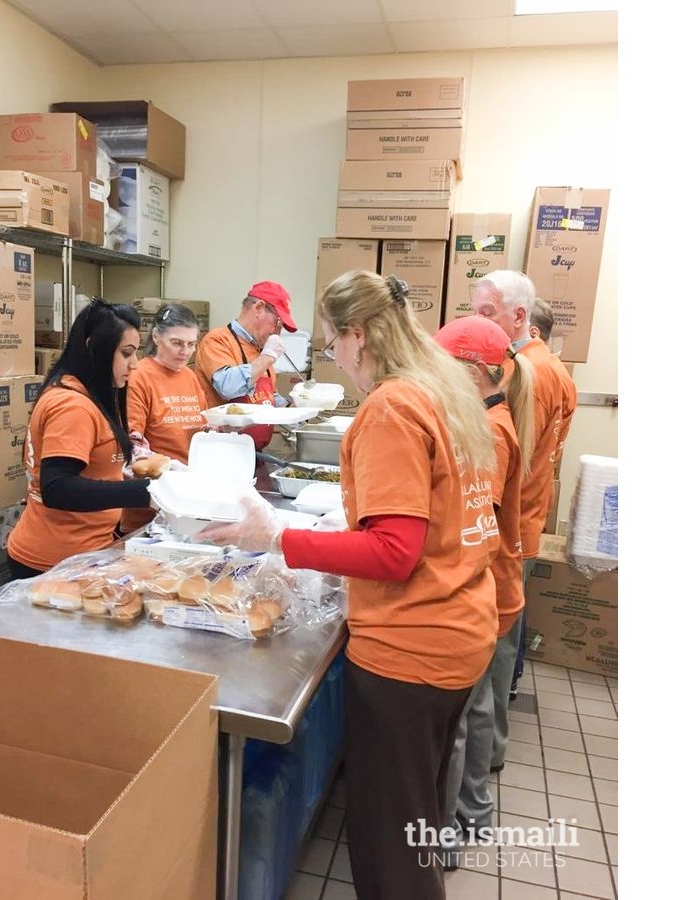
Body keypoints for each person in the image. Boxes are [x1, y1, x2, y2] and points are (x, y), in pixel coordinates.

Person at [201, 271, 500, 900]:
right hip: (461, 631)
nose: (333, 356)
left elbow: (394, 552)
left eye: (333, 341)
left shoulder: (392, 406)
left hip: (409, 651)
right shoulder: (444, 390)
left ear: (358, 335)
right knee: (416, 820)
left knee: (390, 844)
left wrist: (278, 537)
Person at [432, 315, 536, 865]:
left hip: (487, 589)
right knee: (475, 711)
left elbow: (477, 522)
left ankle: (452, 831)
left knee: (462, 718)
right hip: (495, 587)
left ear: (473, 371)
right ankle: (473, 812)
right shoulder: (491, 414)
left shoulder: (491, 430)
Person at [471, 272, 578, 697]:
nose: (477, 322)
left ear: (519, 316)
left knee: (496, 644)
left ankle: (490, 751)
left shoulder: (524, 374)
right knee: (507, 634)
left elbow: (505, 459)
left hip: (511, 524)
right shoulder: (554, 367)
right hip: (528, 517)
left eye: (487, 313)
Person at [5, 298, 155, 578]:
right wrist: (147, 493)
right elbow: (58, 487)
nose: (135, 364)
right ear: (93, 348)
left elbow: (93, 464)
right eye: (126, 353)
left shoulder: (91, 394)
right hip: (53, 560)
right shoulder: (72, 406)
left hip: (88, 550)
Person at [120, 303, 210, 533]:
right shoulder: (139, 377)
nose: (185, 352)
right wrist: (170, 469)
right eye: (177, 343)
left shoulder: (189, 376)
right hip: (151, 507)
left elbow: (204, 429)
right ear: (156, 337)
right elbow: (132, 445)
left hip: (191, 499)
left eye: (191, 344)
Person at [194, 281, 298, 451]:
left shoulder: (261, 349)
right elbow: (228, 387)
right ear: (258, 308)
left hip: (255, 453)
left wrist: (294, 406)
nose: (278, 333)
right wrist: (267, 357)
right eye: (278, 323)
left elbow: (268, 396)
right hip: (222, 451)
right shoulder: (218, 340)